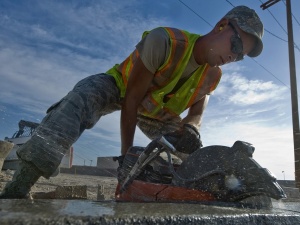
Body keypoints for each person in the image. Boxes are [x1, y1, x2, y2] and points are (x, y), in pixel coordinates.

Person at [0, 5, 263, 198]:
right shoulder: (165, 41)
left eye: (241, 57)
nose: (234, 57)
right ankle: (19, 185)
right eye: (236, 46)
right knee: (81, 98)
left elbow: (198, 109)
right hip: (121, 88)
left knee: (193, 153)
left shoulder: (214, 74)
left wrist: (192, 127)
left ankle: (196, 195)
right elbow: (131, 100)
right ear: (221, 26)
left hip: (158, 112)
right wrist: (126, 159)